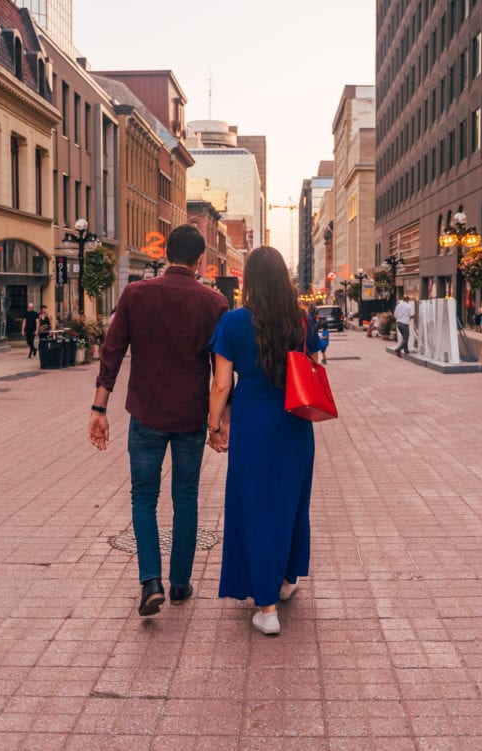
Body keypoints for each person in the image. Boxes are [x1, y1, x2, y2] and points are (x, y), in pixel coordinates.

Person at [87, 224, 229, 617]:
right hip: (189, 416)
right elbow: (222, 373)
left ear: (165, 253)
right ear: (201, 259)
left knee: (143, 497)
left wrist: (98, 409)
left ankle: (151, 580)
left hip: (146, 413)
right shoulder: (215, 303)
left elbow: (111, 353)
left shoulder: (135, 294)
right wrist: (219, 423)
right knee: (185, 498)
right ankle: (180, 582)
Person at [207, 246, 324, 636]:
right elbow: (317, 366)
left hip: (253, 424)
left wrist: (214, 424)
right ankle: (287, 580)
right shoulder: (301, 320)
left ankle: (267, 609)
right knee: (290, 503)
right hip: (294, 422)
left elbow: (222, 383)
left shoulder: (234, 322)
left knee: (256, 507)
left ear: (250, 281)